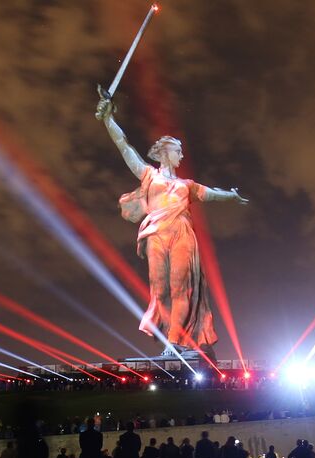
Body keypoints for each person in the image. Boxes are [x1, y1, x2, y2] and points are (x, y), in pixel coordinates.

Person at [95, 89, 248, 354]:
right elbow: (124, 146)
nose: (182, 156)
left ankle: (175, 342)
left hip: (181, 234)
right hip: (156, 234)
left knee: (182, 289)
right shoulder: (149, 175)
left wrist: (232, 197)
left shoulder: (186, 186)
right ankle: (170, 336)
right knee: (159, 290)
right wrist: (108, 119)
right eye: (178, 151)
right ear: (166, 153)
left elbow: (212, 194)